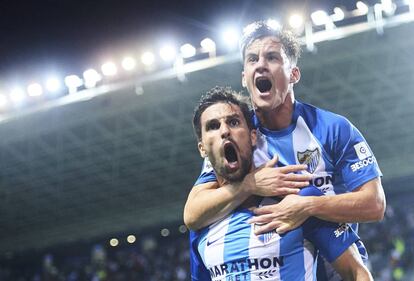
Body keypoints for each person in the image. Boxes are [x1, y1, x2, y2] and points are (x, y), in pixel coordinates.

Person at [184, 21, 386, 280]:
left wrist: (308, 205)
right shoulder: (240, 138)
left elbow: (375, 205)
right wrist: (248, 185)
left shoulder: (333, 129)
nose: (260, 65)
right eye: (252, 59)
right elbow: (193, 214)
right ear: (244, 77)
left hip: (337, 265)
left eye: (272, 57)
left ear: (294, 74)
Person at [189, 86, 373, 281]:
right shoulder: (204, 217)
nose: (224, 131)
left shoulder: (300, 201)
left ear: (253, 136)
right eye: (213, 126)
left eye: (233, 122)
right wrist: (248, 185)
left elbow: (357, 273)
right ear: (202, 148)